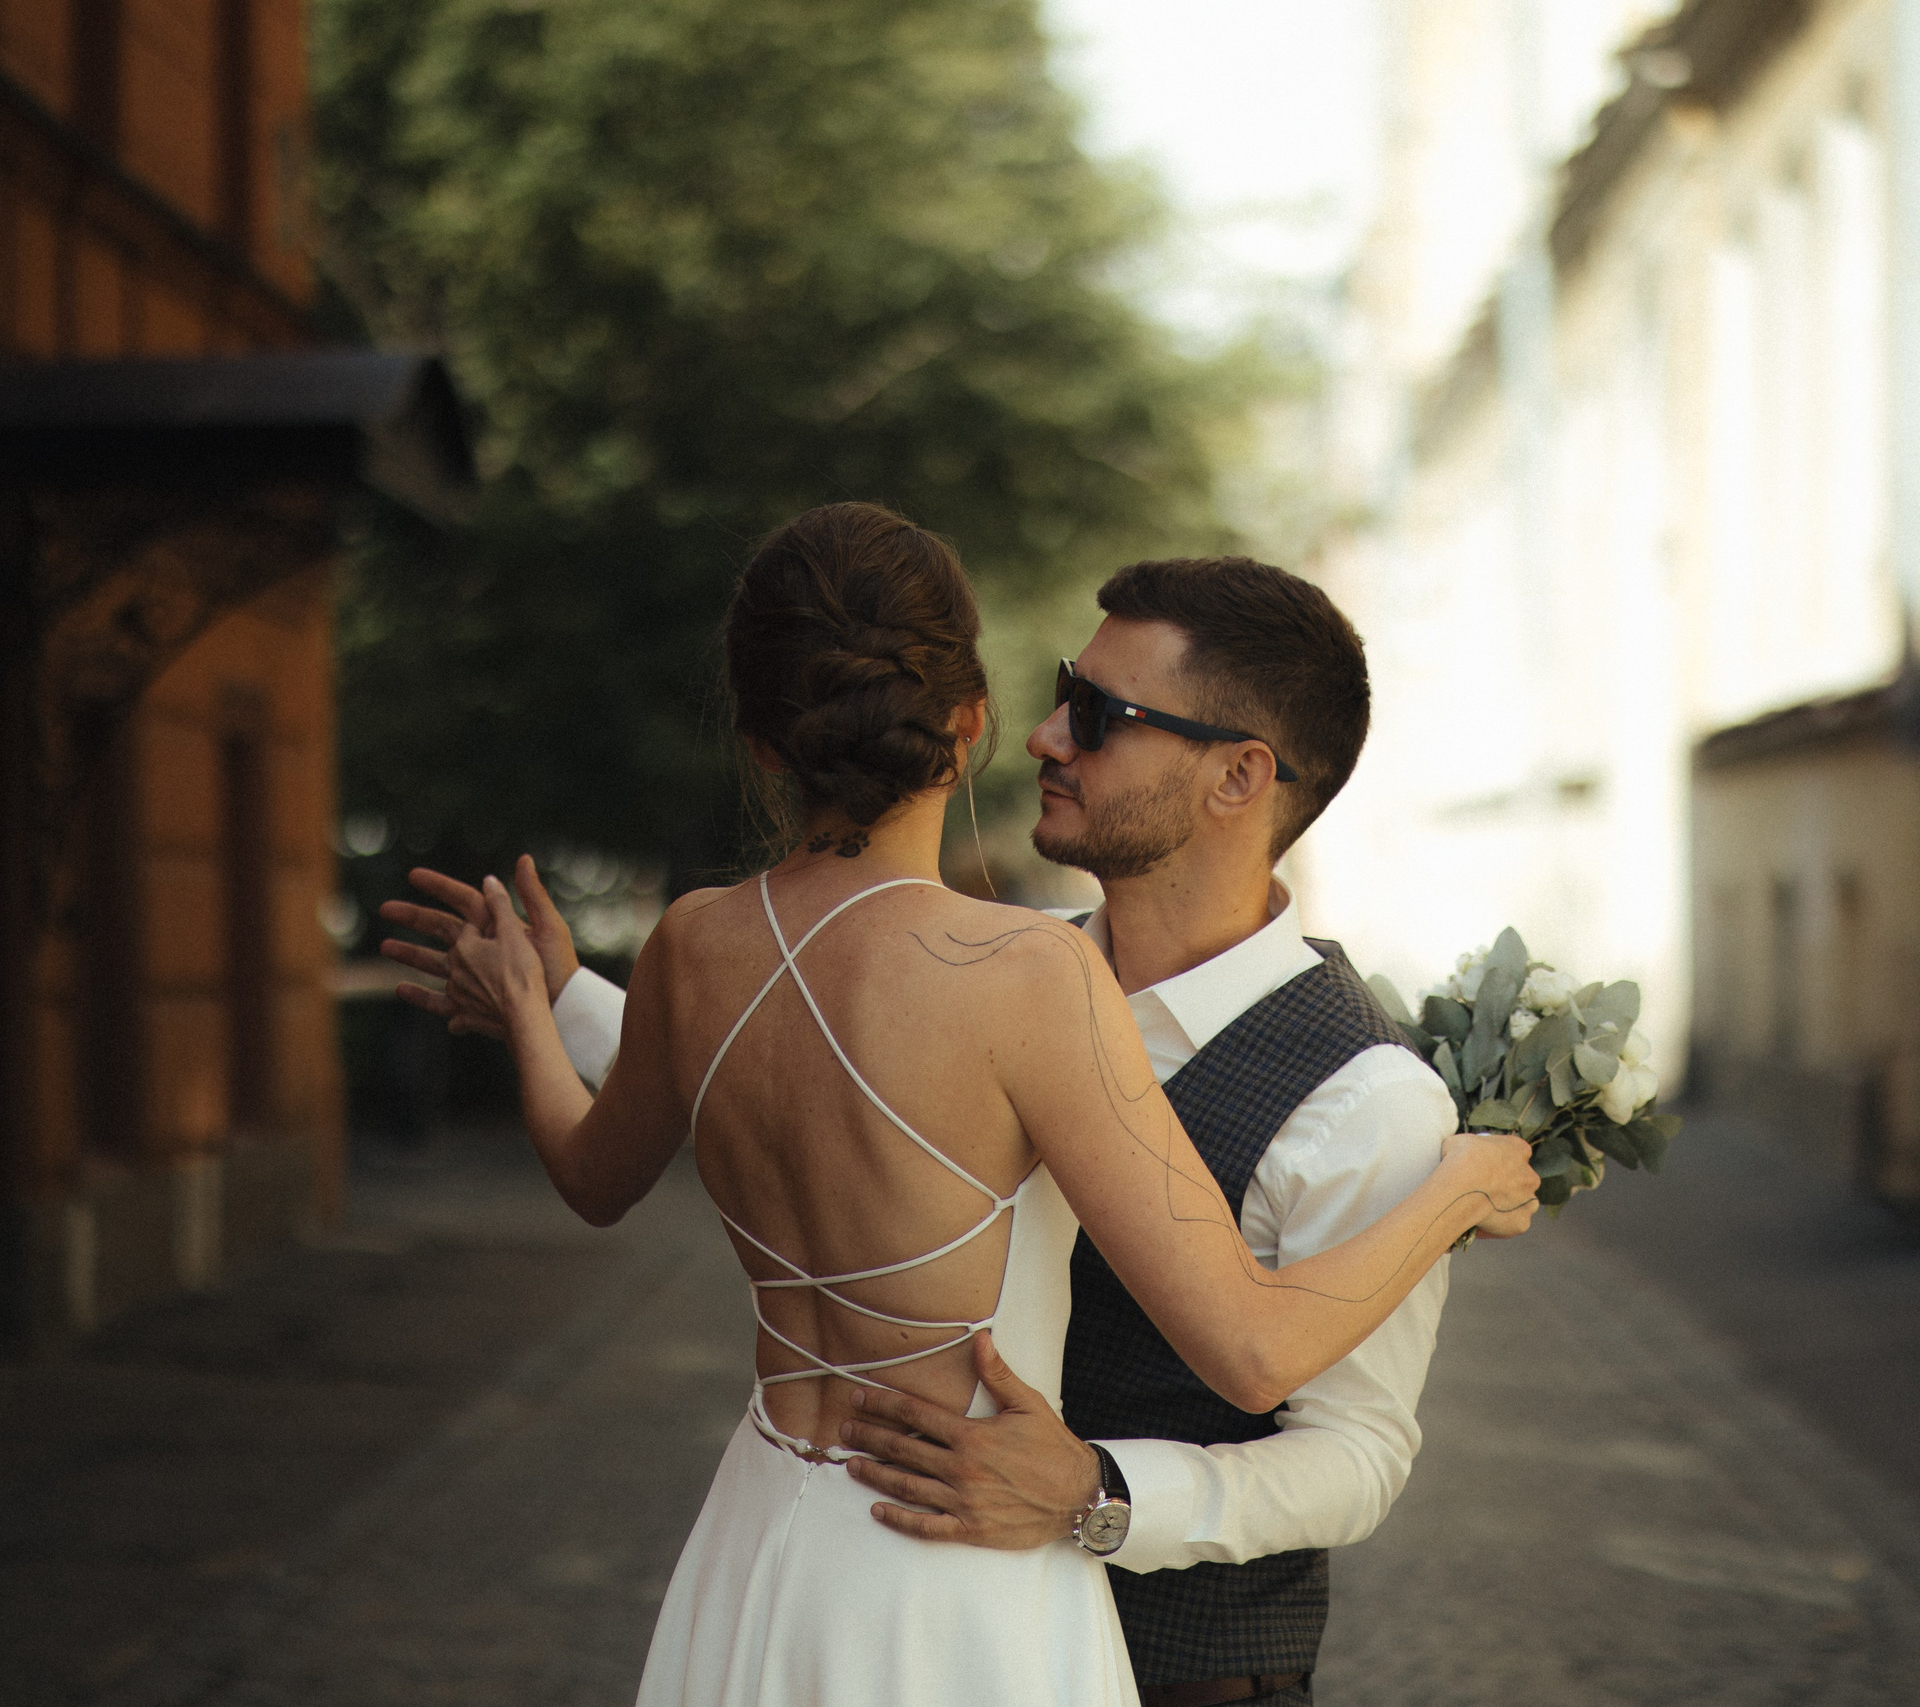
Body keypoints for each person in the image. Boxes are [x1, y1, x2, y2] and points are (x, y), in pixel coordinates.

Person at [398, 502, 1538, 1706]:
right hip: (957, 1600)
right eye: (1053, 694)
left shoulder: (699, 942)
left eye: (1097, 715)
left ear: (764, 741)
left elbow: (1354, 1454)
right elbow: (1248, 1344)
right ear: (966, 721)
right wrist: (1472, 1179)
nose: (1053, 736)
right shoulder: (1023, 969)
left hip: (783, 1541)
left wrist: (546, 1008)